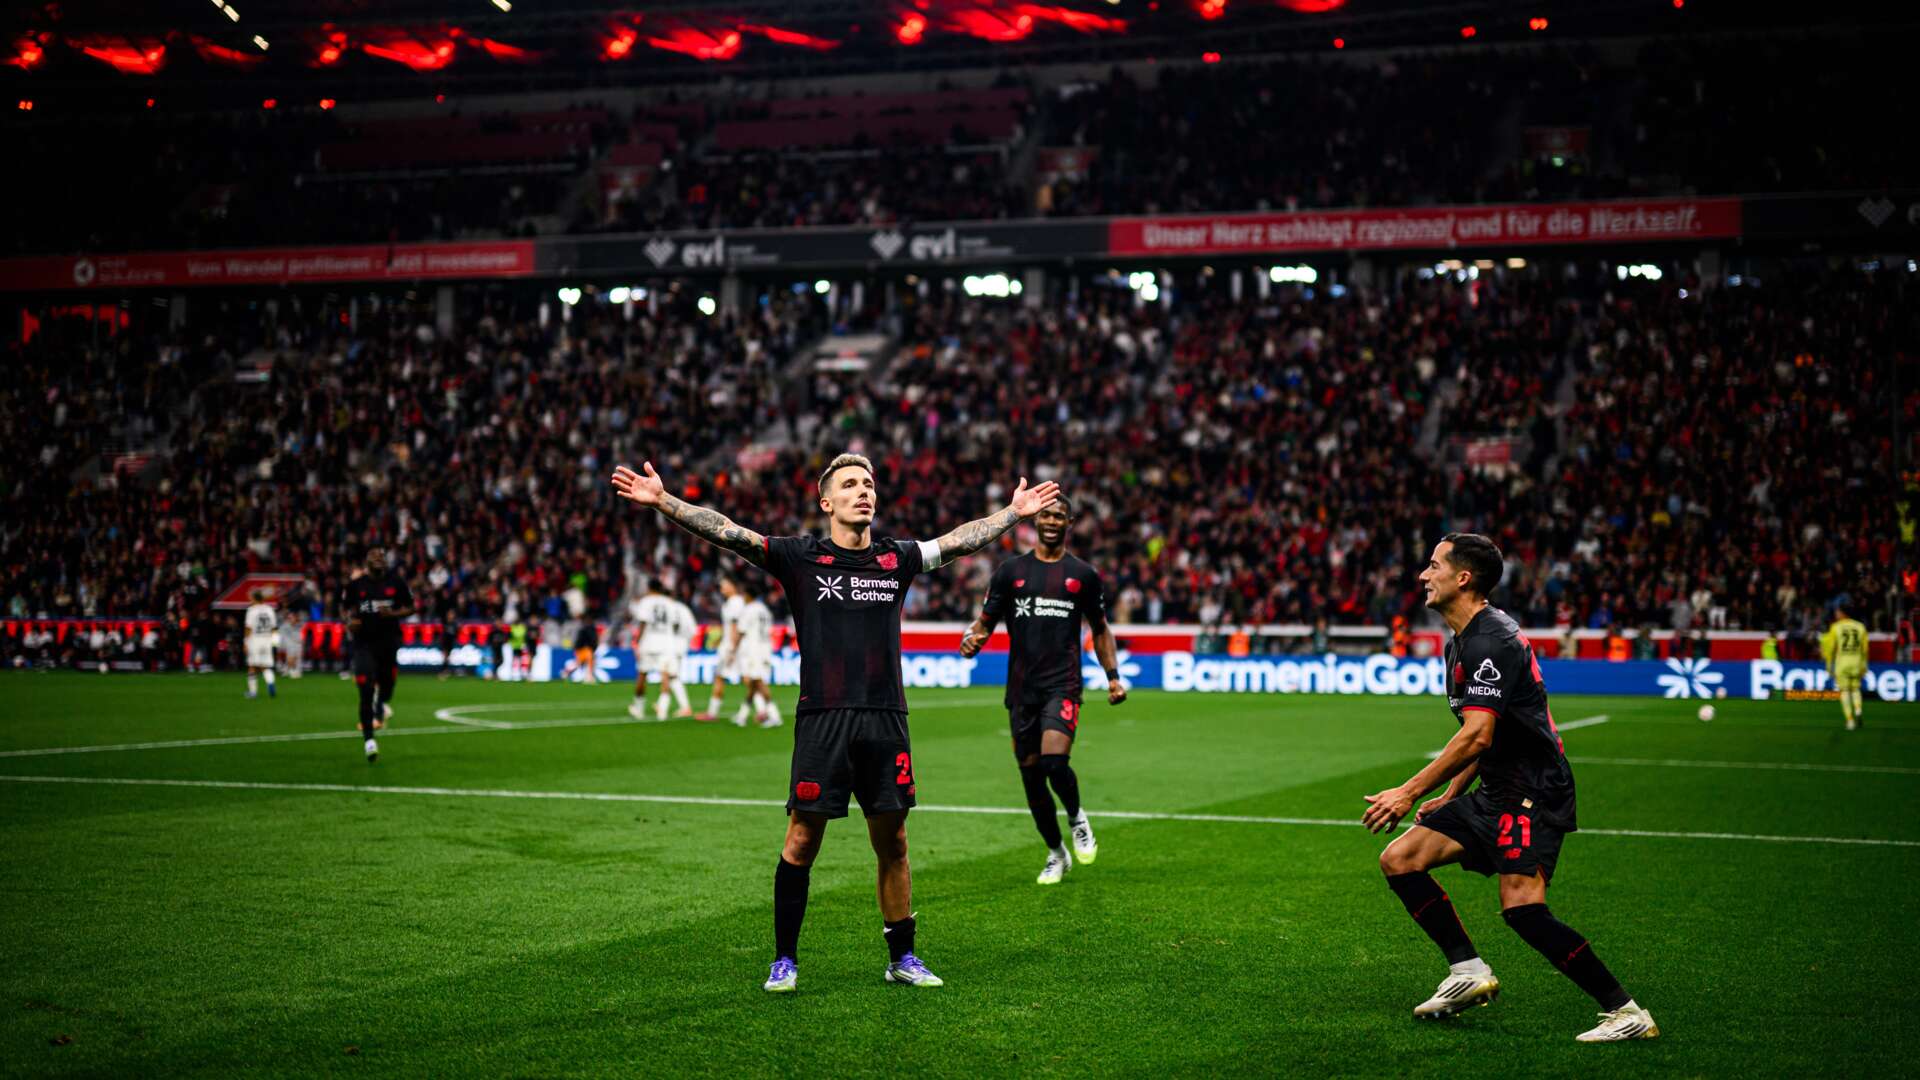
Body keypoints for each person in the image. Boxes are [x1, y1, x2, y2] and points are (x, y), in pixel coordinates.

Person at [611, 453, 1059, 994]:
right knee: (801, 839)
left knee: (893, 843)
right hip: (823, 717)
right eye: (849, 484)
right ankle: (784, 959)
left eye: (868, 483)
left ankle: (902, 957)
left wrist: (1013, 514)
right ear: (827, 502)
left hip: (885, 718)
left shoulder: (898, 558)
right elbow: (730, 534)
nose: (863, 491)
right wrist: (664, 501)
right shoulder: (801, 558)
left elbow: (958, 541)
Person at [1364, 533, 1657, 1042]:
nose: (1422, 575)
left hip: (1533, 791)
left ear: (1463, 578)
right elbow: (1482, 739)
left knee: (1523, 910)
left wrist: (1408, 791)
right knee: (1401, 858)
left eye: (1433, 566)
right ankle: (1467, 971)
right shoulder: (1465, 639)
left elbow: (1478, 733)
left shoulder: (1489, 641)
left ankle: (1626, 1011)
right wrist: (1451, 795)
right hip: (1498, 786)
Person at [959, 496, 1126, 885]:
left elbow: (1100, 629)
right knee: (1032, 780)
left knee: (1054, 763)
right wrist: (973, 639)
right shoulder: (1010, 572)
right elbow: (985, 622)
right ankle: (1056, 852)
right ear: (1036, 520)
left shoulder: (1083, 575)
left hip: (1062, 684)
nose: (1052, 521)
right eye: (1046, 515)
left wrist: (1113, 676)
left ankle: (1077, 817)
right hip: (1021, 690)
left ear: (1070, 522)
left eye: (1059, 516)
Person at [341, 548, 415, 763]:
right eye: (374, 557)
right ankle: (369, 741)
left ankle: (381, 704)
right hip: (364, 644)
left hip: (389, 643)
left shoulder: (396, 582)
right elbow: (345, 609)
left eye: (382, 556)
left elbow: (411, 608)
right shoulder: (356, 585)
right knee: (365, 688)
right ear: (367, 562)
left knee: (387, 687)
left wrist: (392, 614)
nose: (379, 560)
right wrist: (349, 622)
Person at [630, 580, 693, 719]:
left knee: (642, 674)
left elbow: (643, 622)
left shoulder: (646, 601)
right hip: (667, 643)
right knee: (666, 675)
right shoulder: (670, 603)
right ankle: (663, 710)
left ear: (649, 588)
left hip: (649, 641)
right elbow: (676, 625)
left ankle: (639, 708)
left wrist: (636, 642)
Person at [731, 583, 782, 729]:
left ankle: (774, 716)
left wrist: (733, 650)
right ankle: (742, 715)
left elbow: (741, 631)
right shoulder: (764, 610)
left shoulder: (748, 610)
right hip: (765, 648)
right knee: (753, 683)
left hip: (753, 650)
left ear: (747, 595)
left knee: (757, 682)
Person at [1820, 604, 1870, 730]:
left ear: (1842, 613)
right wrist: (1864, 664)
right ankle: (1858, 709)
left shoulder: (1836, 627)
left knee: (1845, 691)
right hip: (1857, 661)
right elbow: (1865, 648)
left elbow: (1830, 648)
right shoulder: (1860, 627)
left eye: (1837, 612)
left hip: (1842, 662)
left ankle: (1850, 720)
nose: (1836, 615)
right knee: (1855, 689)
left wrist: (1828, 664)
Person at [703, 576, 747, 720]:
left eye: (724, 585)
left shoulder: (735, 603)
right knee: (745, 678)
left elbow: (735, 627)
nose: (721, 588)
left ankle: (712, 713)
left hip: (732, 646)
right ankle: (764, 710)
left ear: (732, 586)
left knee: (722, 677)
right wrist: (719, 639)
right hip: (732, 644)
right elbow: (729, 627)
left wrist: (732, 648)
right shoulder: (731, 603)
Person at [243, 590, 278, 700]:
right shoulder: (270, 610)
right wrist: (275, 643)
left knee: (252, 666)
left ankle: (253, 693)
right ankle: (270, 682)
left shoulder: (251, 610)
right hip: (267, 640)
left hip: (255, 640)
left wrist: (245, 642)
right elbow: (274, 628)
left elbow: (248, 628)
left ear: (254, 598)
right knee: (265, 666)